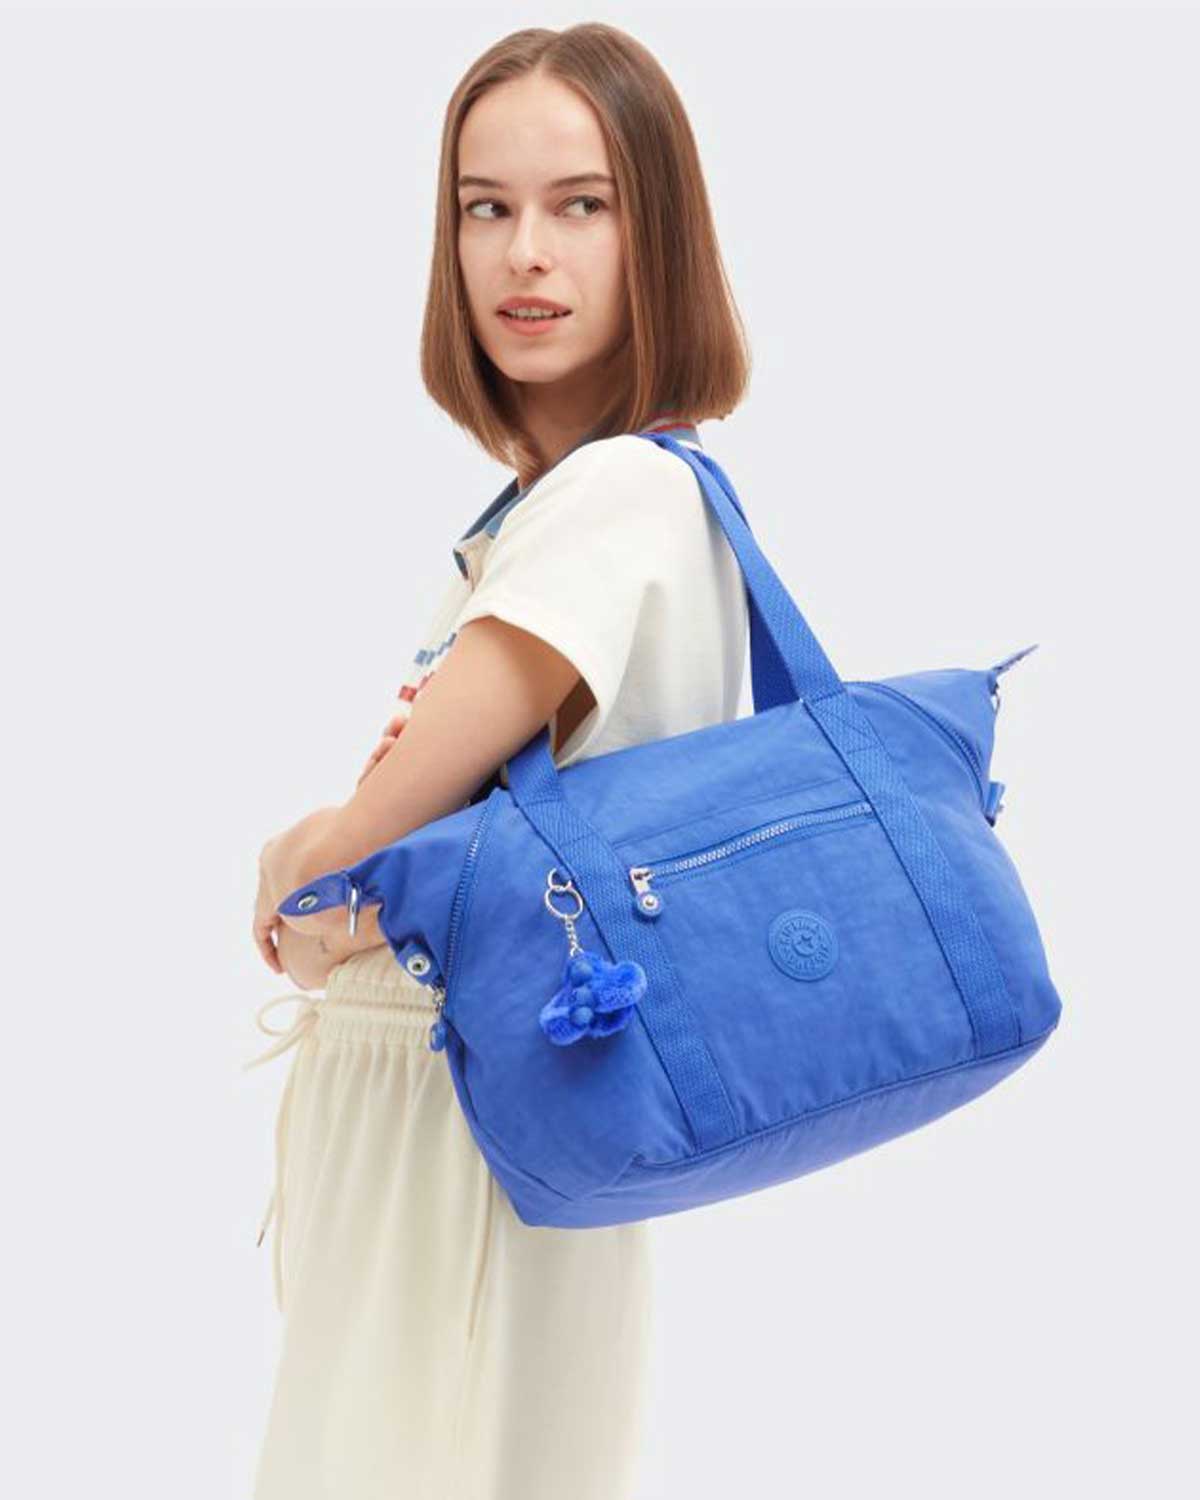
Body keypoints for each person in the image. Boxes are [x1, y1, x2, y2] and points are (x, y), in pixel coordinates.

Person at [245, 21, 751, 1499]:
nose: (525, 253)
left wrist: (297, 857)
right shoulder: (554, 510)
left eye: (582, 204)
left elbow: (346, 870)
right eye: (487, 206)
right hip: (482, 1141)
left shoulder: (618, 498)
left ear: (658, 234)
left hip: (463, 1155)